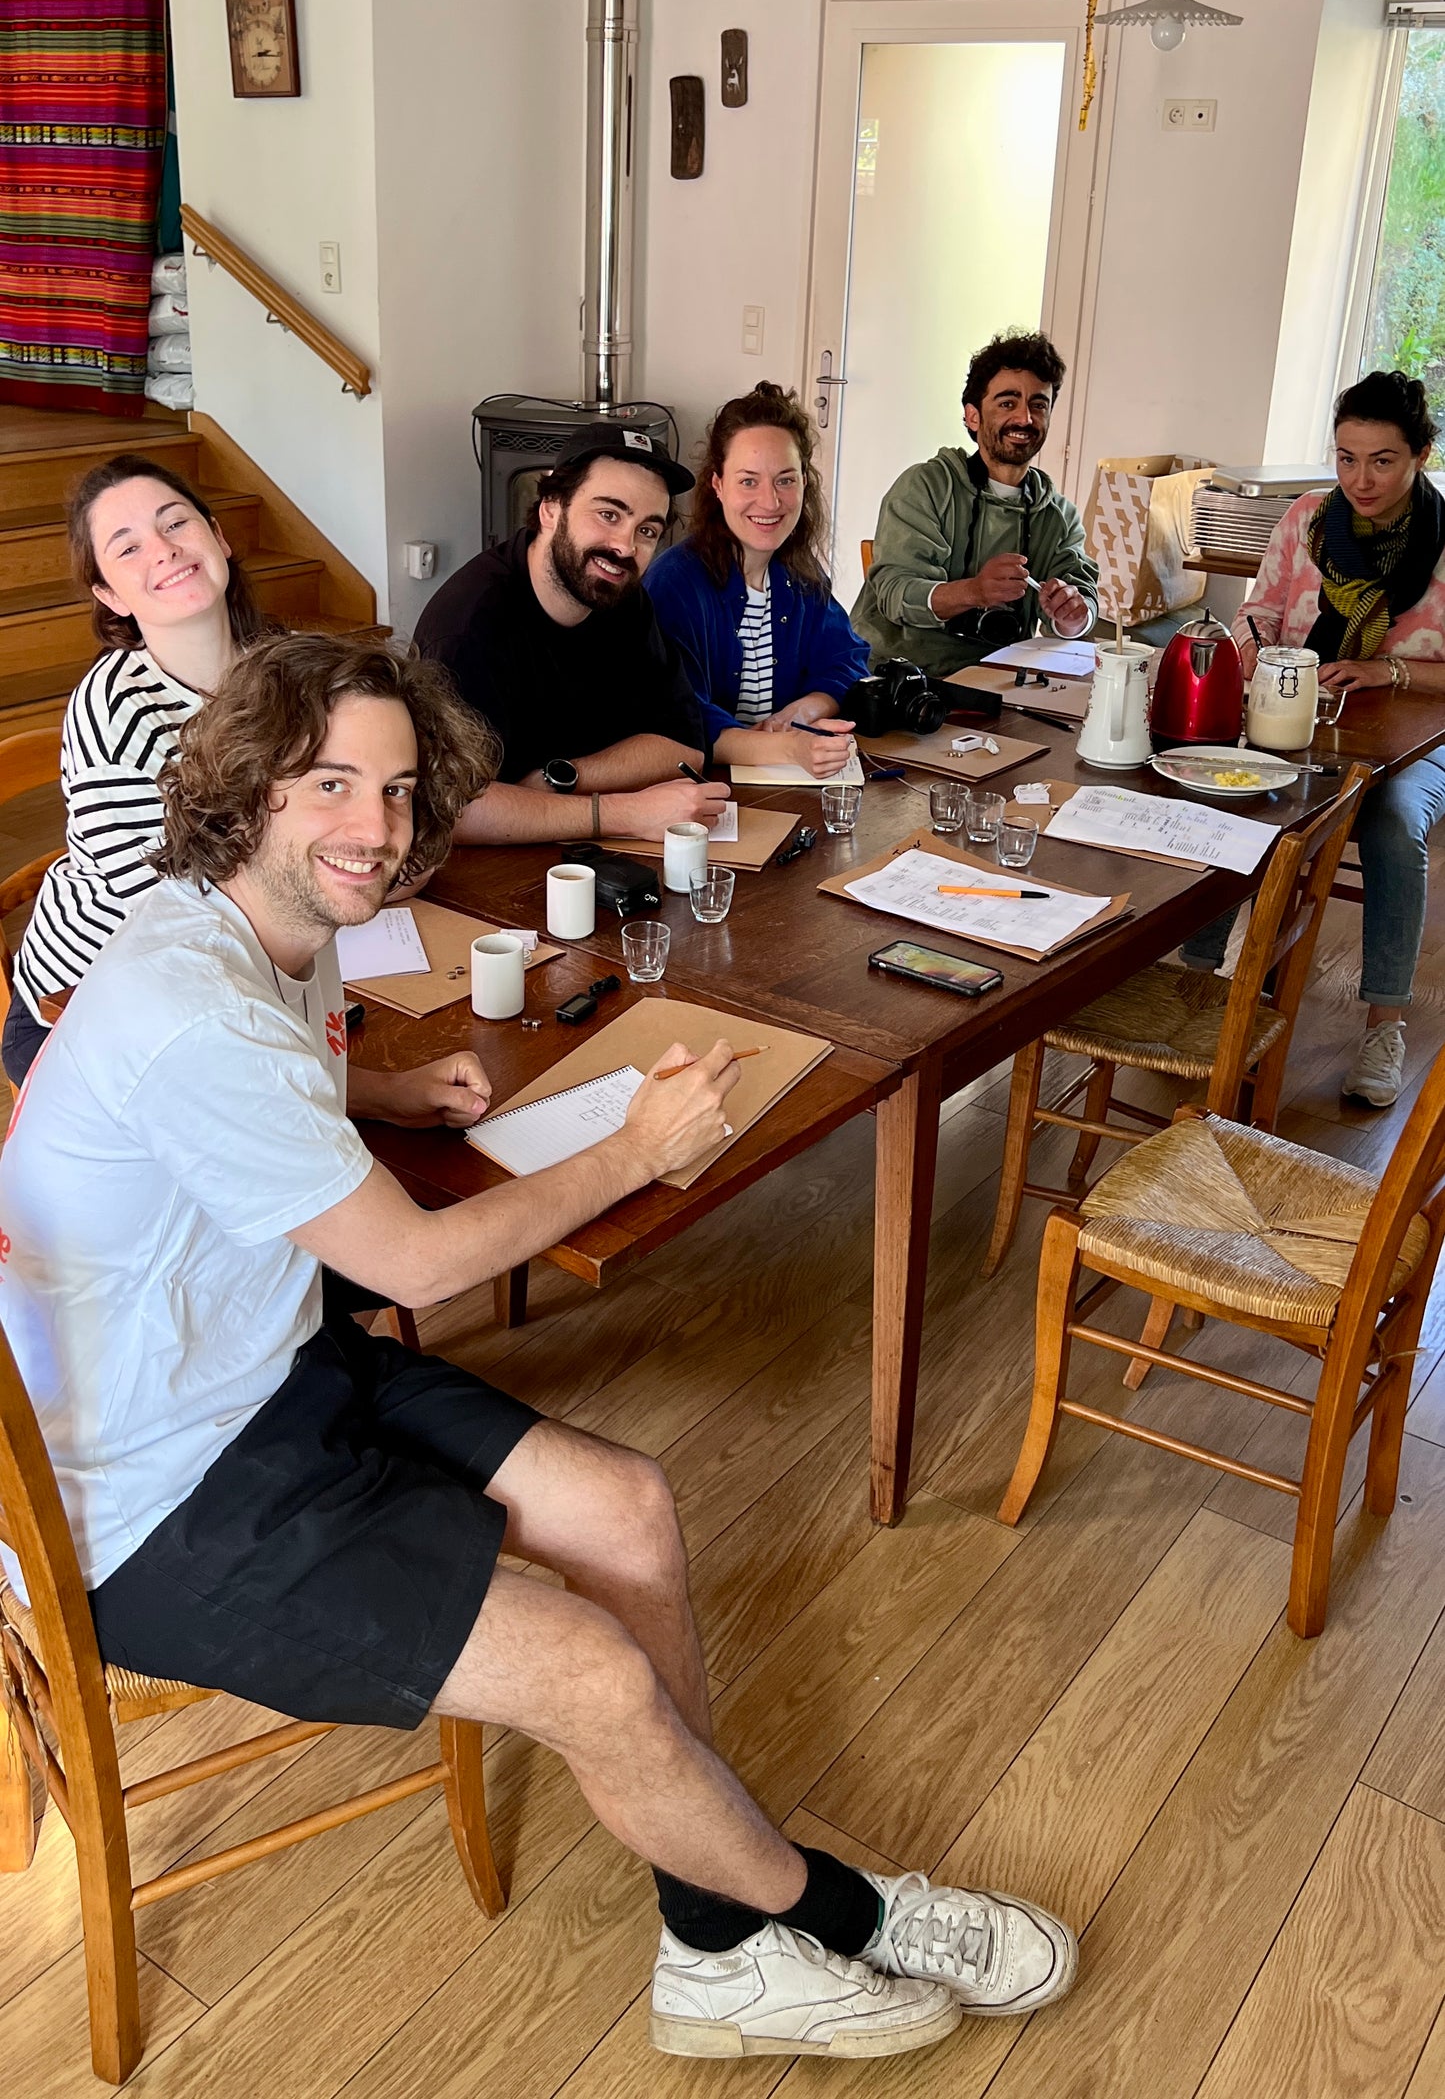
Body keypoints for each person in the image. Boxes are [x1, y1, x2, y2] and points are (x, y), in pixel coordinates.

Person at [0, 630, 1076, 2060]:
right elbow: (420, 1262)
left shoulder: (267, 936)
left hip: (264, 1375)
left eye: (395, 790)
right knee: (596, 1675)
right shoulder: (196, 1005)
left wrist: (382, 1087)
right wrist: (635, 1148)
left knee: (626, 1504)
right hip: (146, 1507)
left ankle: (711, 1951)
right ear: (248, 786)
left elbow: (271, 1097)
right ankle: (833, 1907)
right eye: (330, 784)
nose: (372, 830)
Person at [1181, 370, 1445, 1109]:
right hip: (1297, 716)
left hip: (1415, 736)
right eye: (1345, 457)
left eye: (1382, 459)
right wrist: (1260, 651)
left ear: (1420, 453)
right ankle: (1194, 983)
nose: (1359, 478)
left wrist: (1385, 666)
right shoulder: (1304, 520)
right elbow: (1254, 613)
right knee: (1227, 791)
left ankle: (1382, 1025)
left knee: (1392, 826)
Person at [2, 456, 273, 1091]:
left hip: (245, 968)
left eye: (176, 522)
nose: (165, 551)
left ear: (218, 536)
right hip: (88, 1005)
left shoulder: (278, 666)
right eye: (128, 549)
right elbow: (161, 911)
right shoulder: (114, 707)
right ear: (109, 596)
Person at [415, 421, 730, 847]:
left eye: (647, 530)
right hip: (487, 869)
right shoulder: (467, 626)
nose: (624, 546)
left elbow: (684, 745)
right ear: (550, 508)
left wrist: (562, 778)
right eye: (608, 515)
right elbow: (453, 808)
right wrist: (627, 813)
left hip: (584, 843)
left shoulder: (622, 597)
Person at [646, 382, 870, 776]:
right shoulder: (674, 583)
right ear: (717, 485)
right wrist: (787, 746)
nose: (770, 502)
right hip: (700, 790)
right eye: (748, 481)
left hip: (778, 782)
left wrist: (802, 710)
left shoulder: (799, 572)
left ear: (805, 482)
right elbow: (681, 718)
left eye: (785, 479)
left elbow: (846, 658)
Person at [851, 332, 1098, 677]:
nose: (1025, 419)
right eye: (1007, 403)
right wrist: (974, 591)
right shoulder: (926, 487)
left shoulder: (1058, 516)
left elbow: (1082, 596)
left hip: (996, 683)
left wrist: (1072, 615)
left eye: (1038, 404)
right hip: (896, 676)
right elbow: (895, 593)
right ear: (973, 416)